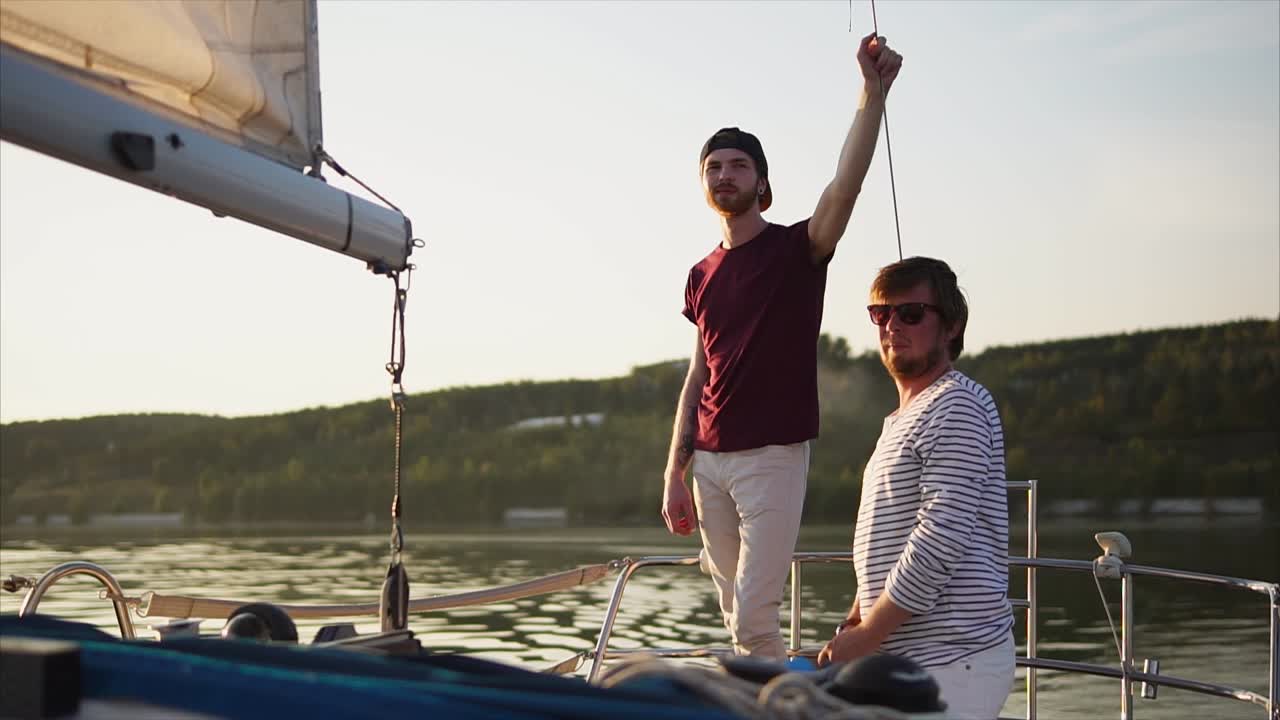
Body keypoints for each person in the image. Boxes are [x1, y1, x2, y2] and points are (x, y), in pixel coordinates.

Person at [660, 33, 903, 659]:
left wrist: (870, 97)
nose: (724, 174)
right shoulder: (700, 273)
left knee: (754, 615)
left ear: (762, 182)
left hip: (771, 456)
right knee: (736, 615)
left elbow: (844, 187)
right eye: (714, 166)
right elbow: (697, 374)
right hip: (708, 462)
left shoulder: (797, 250)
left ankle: (776, 702)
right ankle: (771, 699)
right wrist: (675, 471)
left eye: (738, 165)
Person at [816, 257, 1015, 718]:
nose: (891, 326)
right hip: (903, 658)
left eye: (910, 314)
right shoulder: (901, 421)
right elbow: (895, 538)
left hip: (954, 659)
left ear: (951, 326)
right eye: (880, 314)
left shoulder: (958, 404)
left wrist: (868, 636)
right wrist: (858, 618)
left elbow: (939, 539)